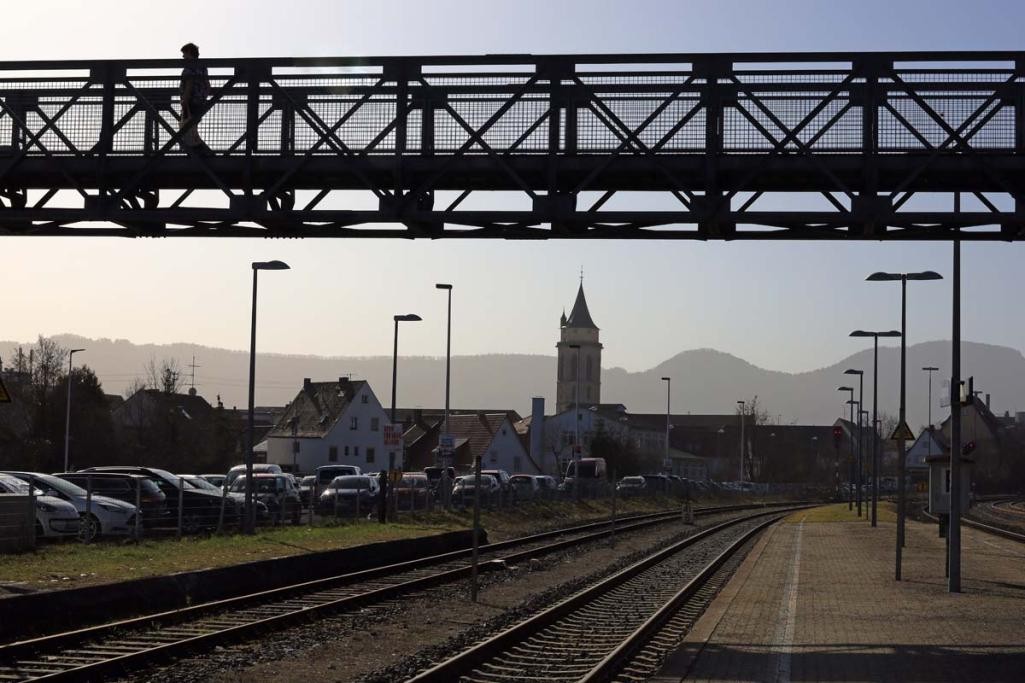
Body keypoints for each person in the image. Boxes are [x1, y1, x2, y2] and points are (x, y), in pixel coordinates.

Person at [179, 42, 211, 153]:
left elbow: (189, 84)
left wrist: (185, 100)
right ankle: (201, 153)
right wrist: (203, 99)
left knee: (187, 131)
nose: (183, 57)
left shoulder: (189, 67)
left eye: (184, 54)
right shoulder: (203, 67)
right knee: (193, 130)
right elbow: (208, 86)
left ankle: (196, 155)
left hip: (190, 102)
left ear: (189, 52)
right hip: (200, 103)